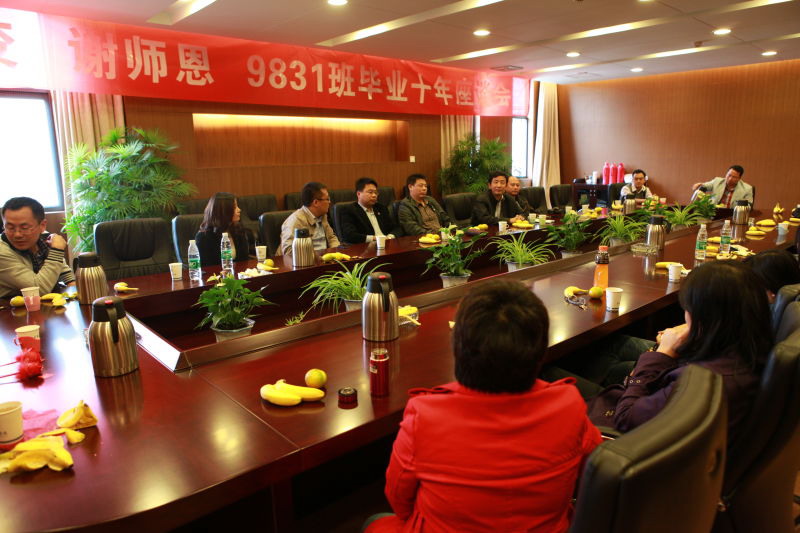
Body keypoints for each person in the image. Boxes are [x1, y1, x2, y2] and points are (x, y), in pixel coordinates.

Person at [365, 280, 601, 533]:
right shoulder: (569, 405)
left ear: (457, 348)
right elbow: (595, 471)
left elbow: (400, 502)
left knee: (376, 522)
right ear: (540, 350)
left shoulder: (424, 415)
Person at [588, 261, 772, 448]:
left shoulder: (702, 382)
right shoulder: (748, 351)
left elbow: (626, 418)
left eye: (688, 310)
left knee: (569, 378)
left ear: (706, 317)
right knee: (608, 348)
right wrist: (694, 337)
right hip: (644, 406)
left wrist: (662, 353)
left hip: (614, 435)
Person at [0, 197, 75, 298]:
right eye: (10, 228)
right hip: (10, 306)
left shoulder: (44, 237)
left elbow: (64, 272)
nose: (17, 234)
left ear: (42, 225)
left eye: (24, 228)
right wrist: (57, 250)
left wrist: (74, 287)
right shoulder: (2, 251)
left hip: (44, 304)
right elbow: (38, 290)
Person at [280, 181, 340, 256]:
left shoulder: (322, 215)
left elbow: (331, 238)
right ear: (316, 202)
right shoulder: (295, 220)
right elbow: (288, 251)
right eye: (327, 199)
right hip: (305, 261)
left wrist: (336, 252)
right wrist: (316, 257)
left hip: (325, 259)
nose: (329, 202)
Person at [194, 192, 251, 267]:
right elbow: (206, 268)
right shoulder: (203, 237)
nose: (239, 210)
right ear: (223, 211)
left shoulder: (238, 230)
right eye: (234, 207)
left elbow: (244, 261)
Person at [338, 177, 401, 244]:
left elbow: (397, 228)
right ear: (358, 194)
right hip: (366, 247)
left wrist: (389, 237)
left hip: (386, 244)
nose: (374, 195)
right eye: (370, 192)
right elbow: (350, 235)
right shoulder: (349, 210)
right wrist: (375, 238)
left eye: (376, 192)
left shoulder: (381, 208)